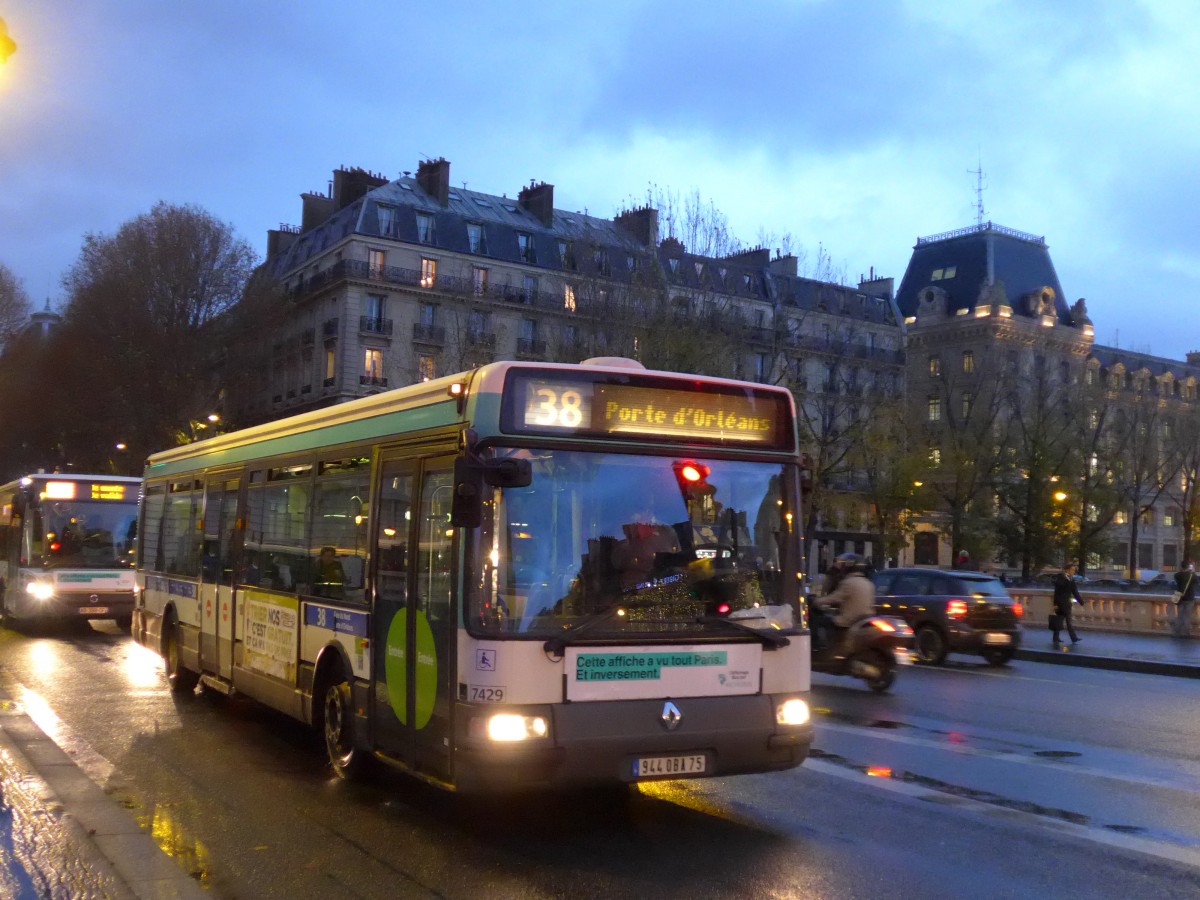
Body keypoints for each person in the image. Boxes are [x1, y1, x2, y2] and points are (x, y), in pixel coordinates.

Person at [814, 553, 876, 656]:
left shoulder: (849, 582)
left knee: (821, 620)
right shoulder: (868, 583)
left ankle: (824, 648)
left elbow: (834, 598)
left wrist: (817, 601)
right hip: (863, 619)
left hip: (848, 620)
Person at [1050, 561, 1083, 647]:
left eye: (1074, 570)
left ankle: (1068, 637)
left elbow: (1075, 592)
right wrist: (1055, 604)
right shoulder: (1061, 578)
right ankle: (1069, 637)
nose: (1073, 571)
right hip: (1060, 603)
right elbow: (1057, 591)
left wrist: (1080, 601)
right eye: (1072, 570)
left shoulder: (1071, 580)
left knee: (1066, 621)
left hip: (1066, 604)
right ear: (1067, 570)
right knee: (1060, 621)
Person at [1173, 560, 1196, 638]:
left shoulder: (1177, 575)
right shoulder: (1192, 576)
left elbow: (1177, 578)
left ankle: (1177, 632)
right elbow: (1196, 581)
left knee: (1179, 615)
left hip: (1180, 598)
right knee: (1187, 616)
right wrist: (1192, 571)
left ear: (1181, 566)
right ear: (1188, 567)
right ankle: (1186, 633)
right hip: (1189, 598)